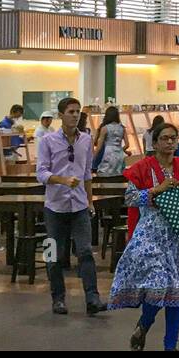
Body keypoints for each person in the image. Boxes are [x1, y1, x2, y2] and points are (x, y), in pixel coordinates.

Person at [109, 121, 179, 351]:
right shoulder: (143, 167)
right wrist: (157, 190)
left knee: (178, 289)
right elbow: (129, 199)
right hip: (152, 236)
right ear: (154, 143)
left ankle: (170, 346)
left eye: (173, 138)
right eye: (164, 138)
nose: (169, 142)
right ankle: (145, 322)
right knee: (159, 284)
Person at [36, 96, 103, 316]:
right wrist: (62, 180)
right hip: (55, 207)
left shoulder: (86, 140)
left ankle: (92, 298)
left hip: (80, 207)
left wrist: (90, 201)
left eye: (77, 112)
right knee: (54, 253)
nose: (75, 115)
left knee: (85, 251)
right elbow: (41, 173)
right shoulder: (47, 141)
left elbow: (86, 174)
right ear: (61, 115)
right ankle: (57, 298)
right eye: (71, 112)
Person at [93, 105, 128, 176]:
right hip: (119, 154)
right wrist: (121, 149)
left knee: (105, 173)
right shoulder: (122, 128)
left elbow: (99, 146)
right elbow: (127, 144)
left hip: (108, 153)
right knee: (118, 174)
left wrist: (93, 157)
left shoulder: (105, 128)